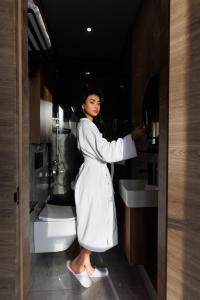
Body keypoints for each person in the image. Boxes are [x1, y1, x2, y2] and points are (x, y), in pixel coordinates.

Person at [67, 88, 146, 288]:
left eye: (98, 102)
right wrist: (132, 137)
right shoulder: (86, 126)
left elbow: (102, 152)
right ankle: (76, 265)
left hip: (94, 179)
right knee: (94, 223)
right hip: (92, 181)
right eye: (91, 101)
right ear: (83, 106)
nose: (96, 105)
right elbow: (106, 152)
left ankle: (88, 266)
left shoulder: (89, 126)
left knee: (94, 222)